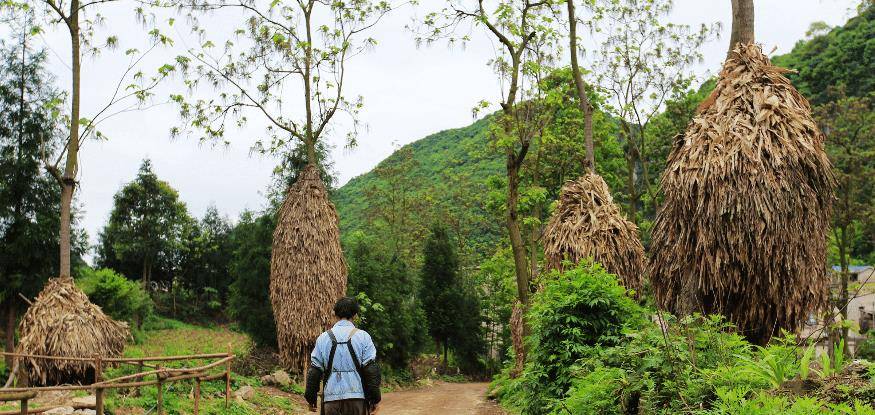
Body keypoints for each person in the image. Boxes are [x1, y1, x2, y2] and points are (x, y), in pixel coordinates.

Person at [305, 297, 382, 415]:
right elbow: (371, 370)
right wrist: (375, 399)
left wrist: (311, 399)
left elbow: (315, 371)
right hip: (357, 399)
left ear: (335, 314)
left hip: (331, 400)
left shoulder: (323, 338)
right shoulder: (363, 337)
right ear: (355, 315)